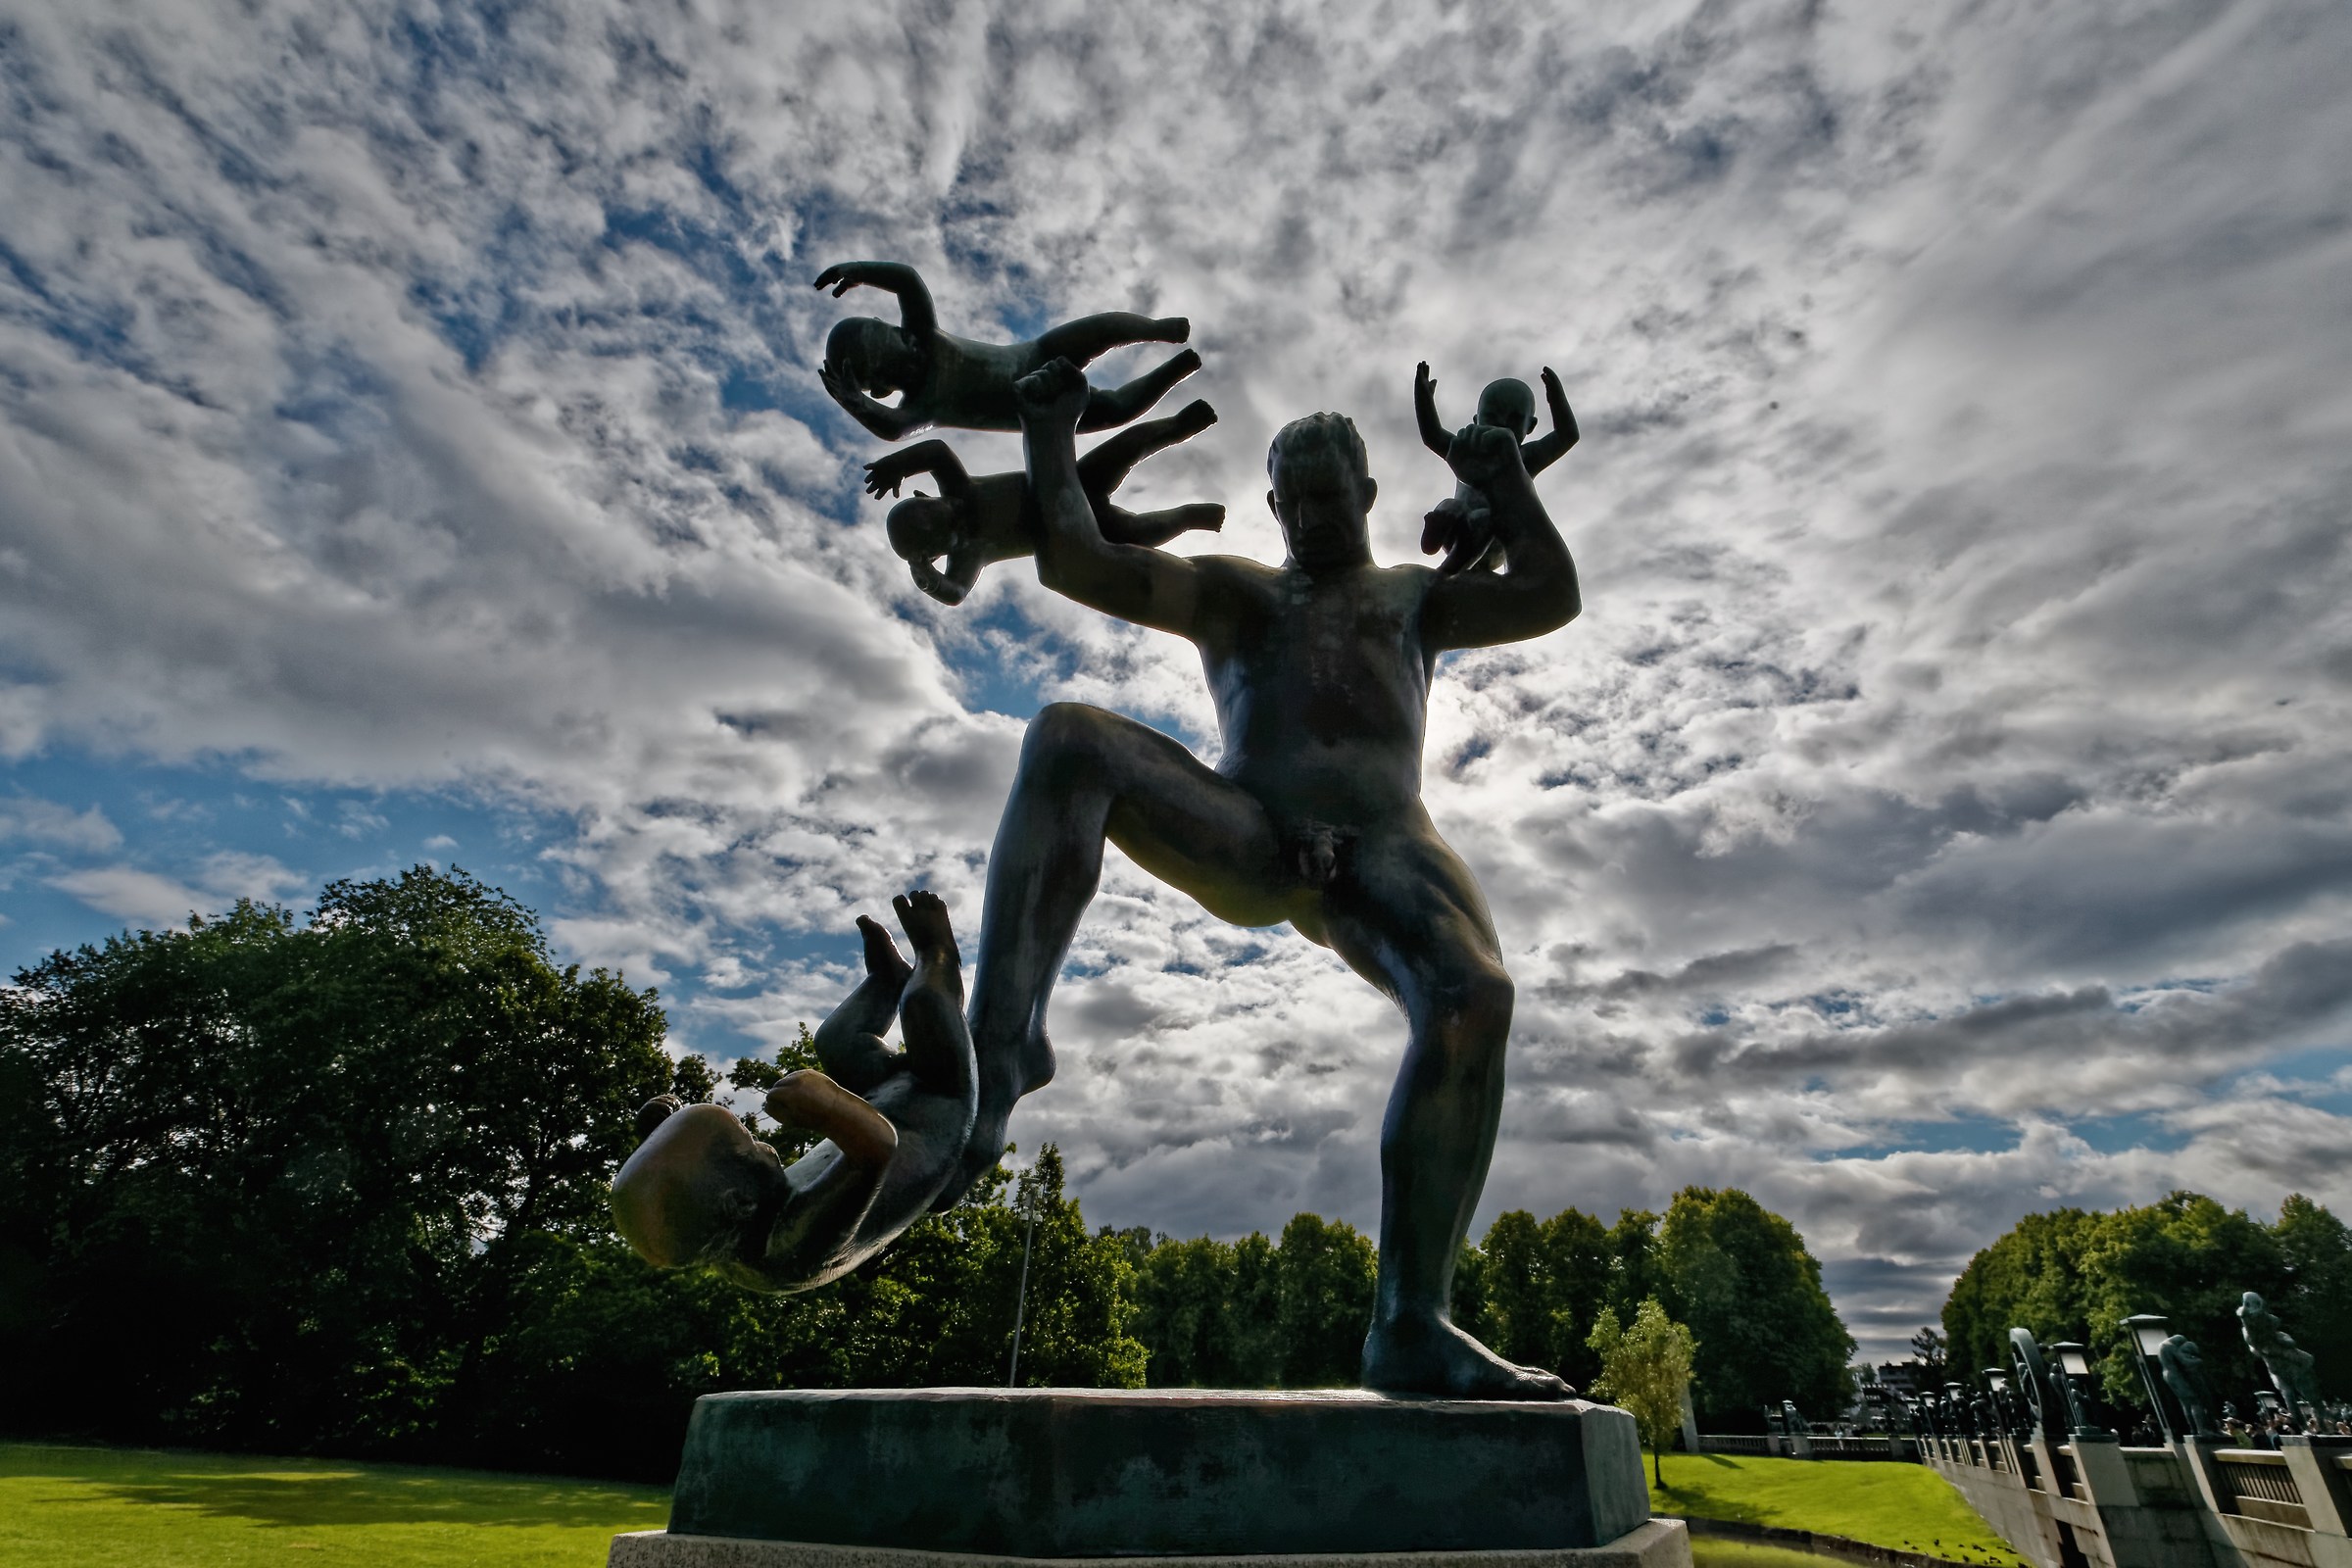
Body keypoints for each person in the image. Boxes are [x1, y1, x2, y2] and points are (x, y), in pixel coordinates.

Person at [950, 356, 1584, 1398]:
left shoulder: (1417, 600)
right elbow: (1077, 561)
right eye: (1300, 506)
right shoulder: (1237, 594)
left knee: (1476, 997)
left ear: (1371, 498)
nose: (1319, 523)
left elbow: (1551, 595)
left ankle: (1411, 1324)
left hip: (1385, 840)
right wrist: (1048, 430)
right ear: (1276, 503)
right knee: (1070, 738)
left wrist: (1507, 482)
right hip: (1249, 826)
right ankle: (1003, 1044)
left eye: (1338, 503)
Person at [609, 893, 975, 1293]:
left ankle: (886, 981)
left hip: (879, 1098)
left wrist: (661, 1136)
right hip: (936, 1108)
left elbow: (683, 1196)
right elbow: (876, 1148)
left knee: (834, 1041)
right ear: (738, 1202)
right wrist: (826, 1108)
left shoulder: (723, 1221)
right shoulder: (791, 1249)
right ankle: (936, 955)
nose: (760, 1140)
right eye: (748, 1144)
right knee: (922, 1004)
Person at [864, 399, 1225, 606]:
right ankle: (1190, 517)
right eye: (943, 526)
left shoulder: (962, 490)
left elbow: (936, 451)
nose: (952, 511)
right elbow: (956, 592)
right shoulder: (970, 551)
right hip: (1077, 526)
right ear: (940, 550)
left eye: (936, 508)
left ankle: (1181, 424)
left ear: (927, 496)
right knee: (1137, 532)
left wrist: (894, 465)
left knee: (1127, 447)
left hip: (1069, 479)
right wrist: (929, 581)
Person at [814, 261, 1200, 440]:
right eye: (892, 356)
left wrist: (862, 271)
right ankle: (1177, 369)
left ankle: (1156, 330)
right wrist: (856, 404)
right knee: (1116, 408)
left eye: (894, 333)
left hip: (1034, 354)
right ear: (883, 387)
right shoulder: (921, 405)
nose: (908, 341)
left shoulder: (924, 336)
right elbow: (895, 429)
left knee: (1101, 330)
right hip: (1040, 411)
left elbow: (908, 281)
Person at [1412, 363, 1578, 574]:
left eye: (1514, 420)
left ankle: (1447, 572)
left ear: (1530, 426)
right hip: (1457, 531)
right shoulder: (1467, 450)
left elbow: (1567, 436)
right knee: (1449, 506)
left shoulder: (1523, 459)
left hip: (1496, 540)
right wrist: (1424, 398)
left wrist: (1556, 400)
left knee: (1486, 517)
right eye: (1492, 416)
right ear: (1476, 420)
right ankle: (1436, 532)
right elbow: (1432, 436)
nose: (1501, 425)